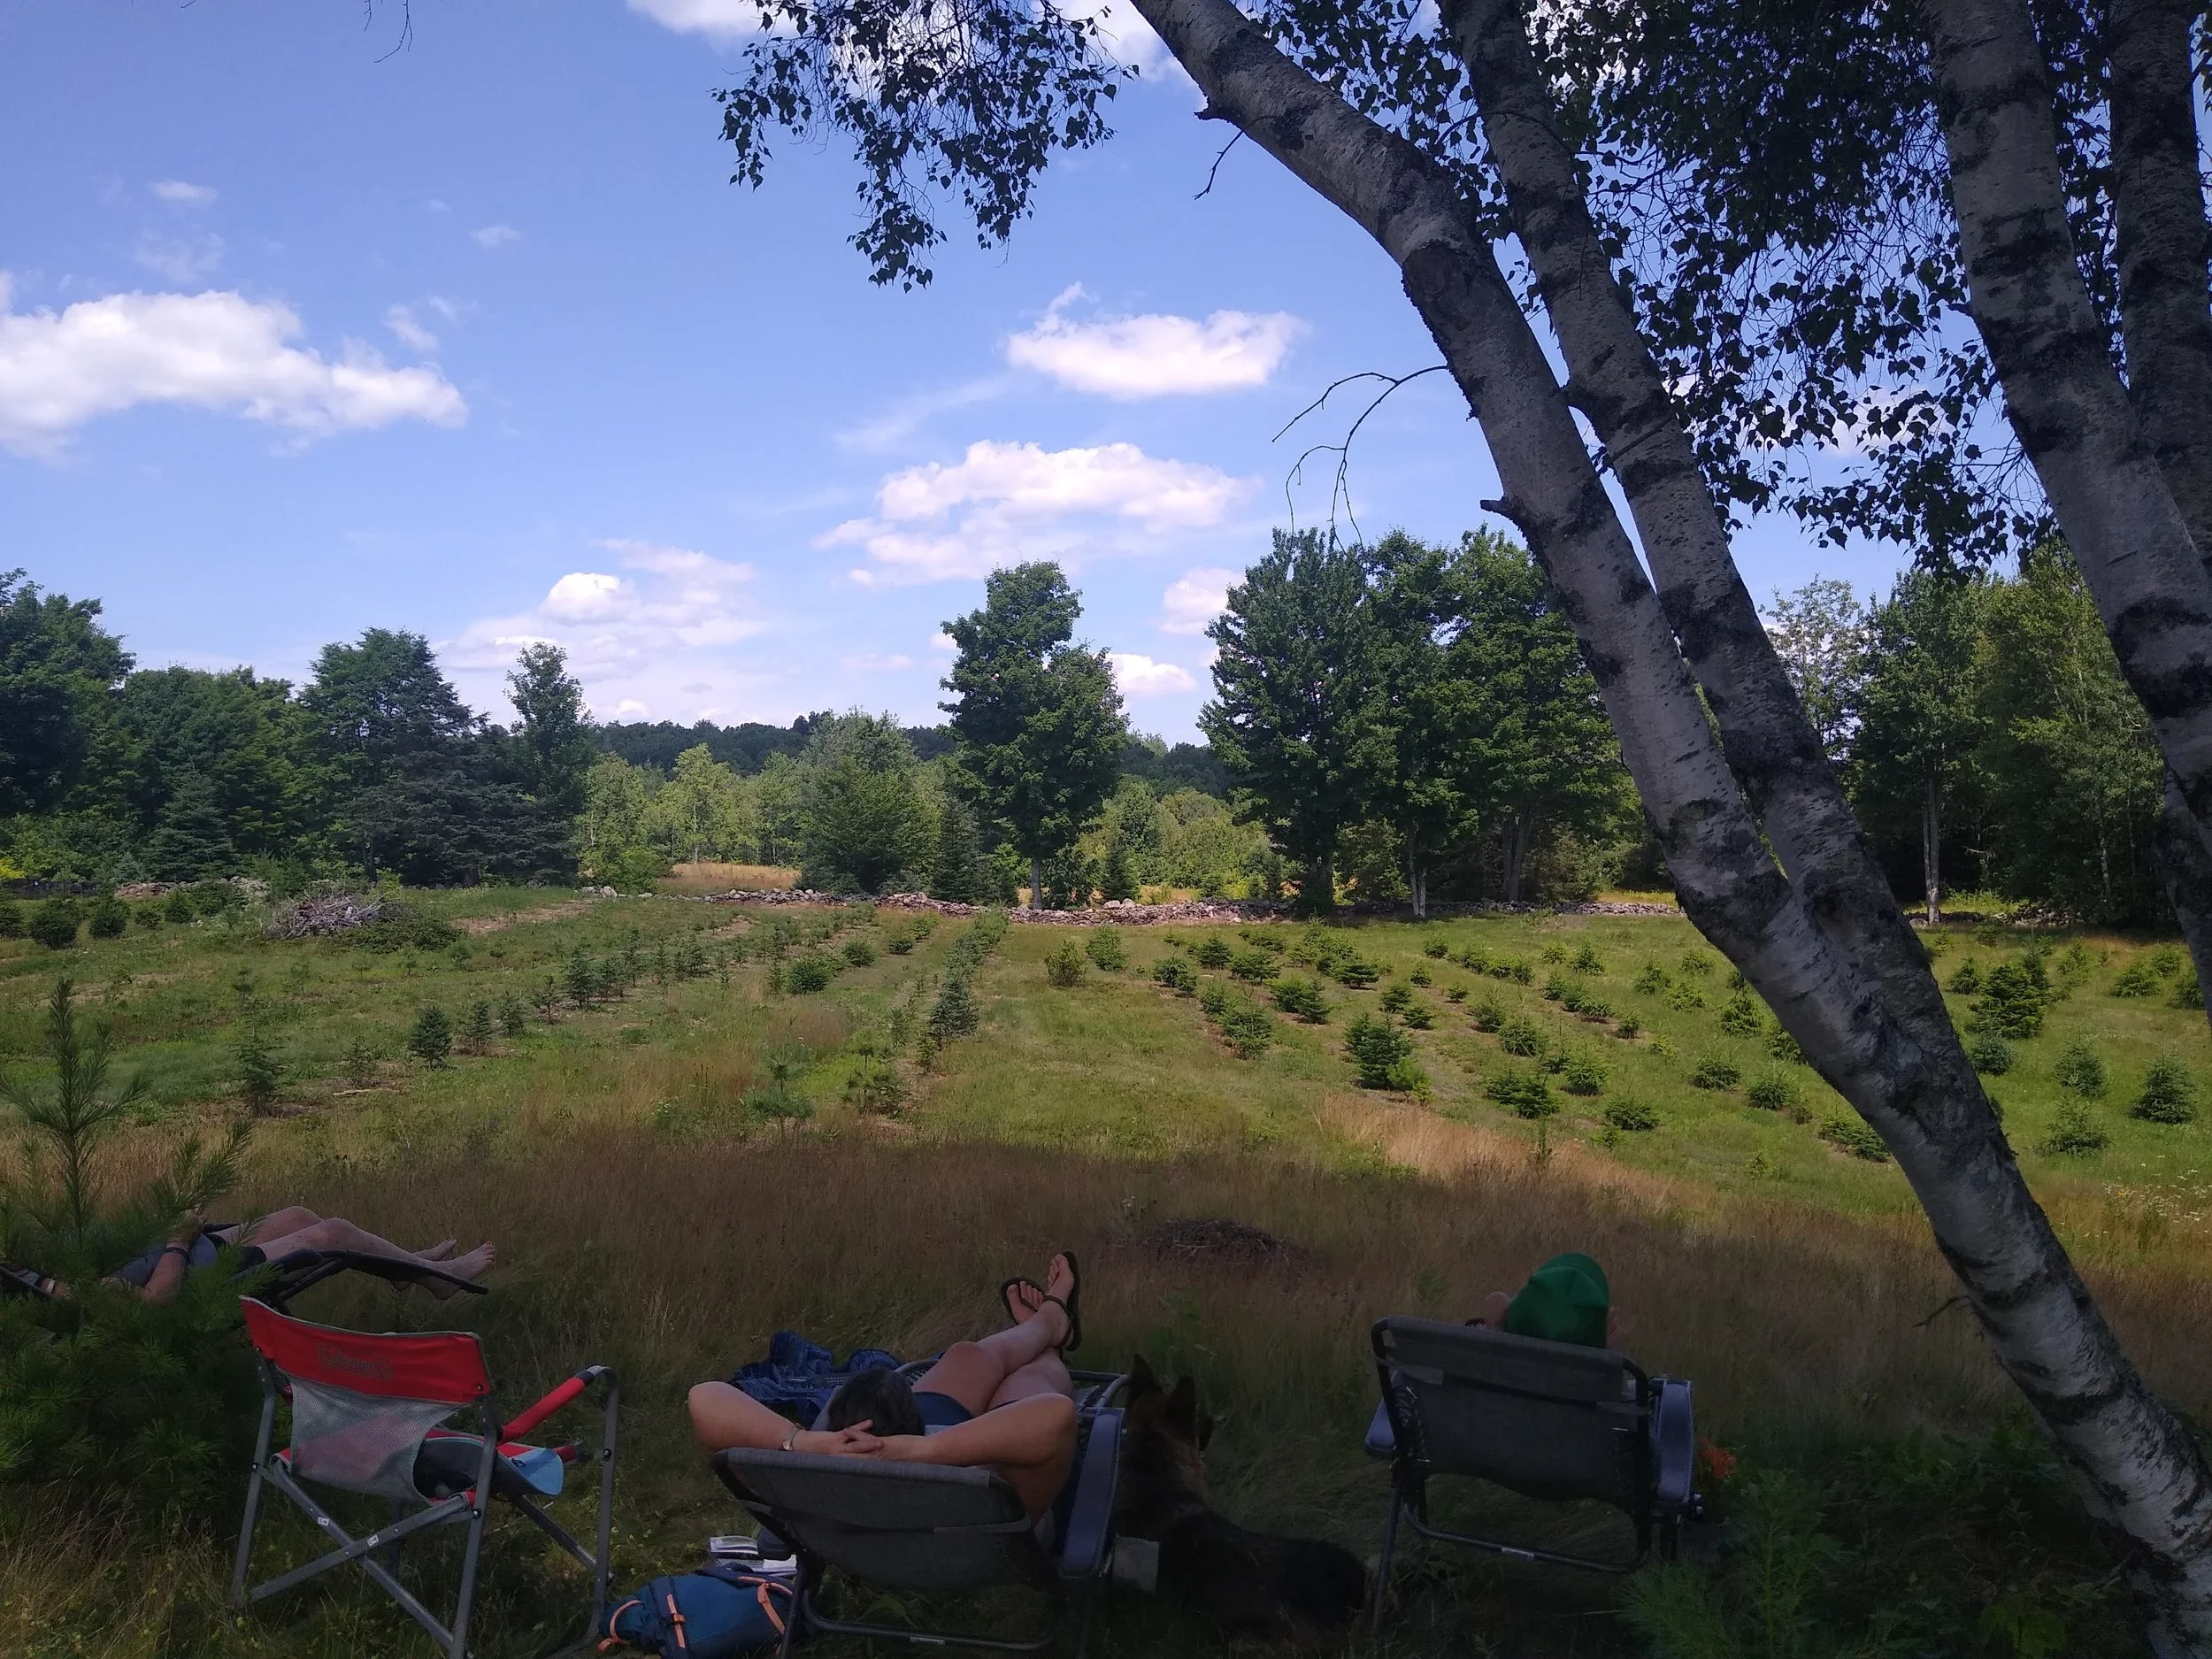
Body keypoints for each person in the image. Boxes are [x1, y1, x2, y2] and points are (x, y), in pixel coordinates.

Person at [688, 1251, 1086, 1520]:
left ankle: (1047, 1325)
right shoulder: (980, 1502)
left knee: (967, 1354)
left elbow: (704, 1397)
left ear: (837, 1432)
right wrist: (927, 1450)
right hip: (975, 1466)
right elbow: (1055, 1413)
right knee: (1030, 1378)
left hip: (872, 1483)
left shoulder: (812, 1491)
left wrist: (808, 1444)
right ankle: (1051, 1333)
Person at [107, 1206, 495, 1304]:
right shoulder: (66, 1287)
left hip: (197, 1251)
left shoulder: (48, 1268)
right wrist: (178, 1239)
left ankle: (405, 1267)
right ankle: (437, 1277)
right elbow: (155, 1300)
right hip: (205, 1283)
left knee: (300, 1217)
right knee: (334, 1233)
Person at [1476, 1251, 1619, 1348]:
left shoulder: (1477, 1364)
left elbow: (1493, 1305)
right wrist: (1612, 1358)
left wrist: (1496, 1326)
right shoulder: (1609, 1388)